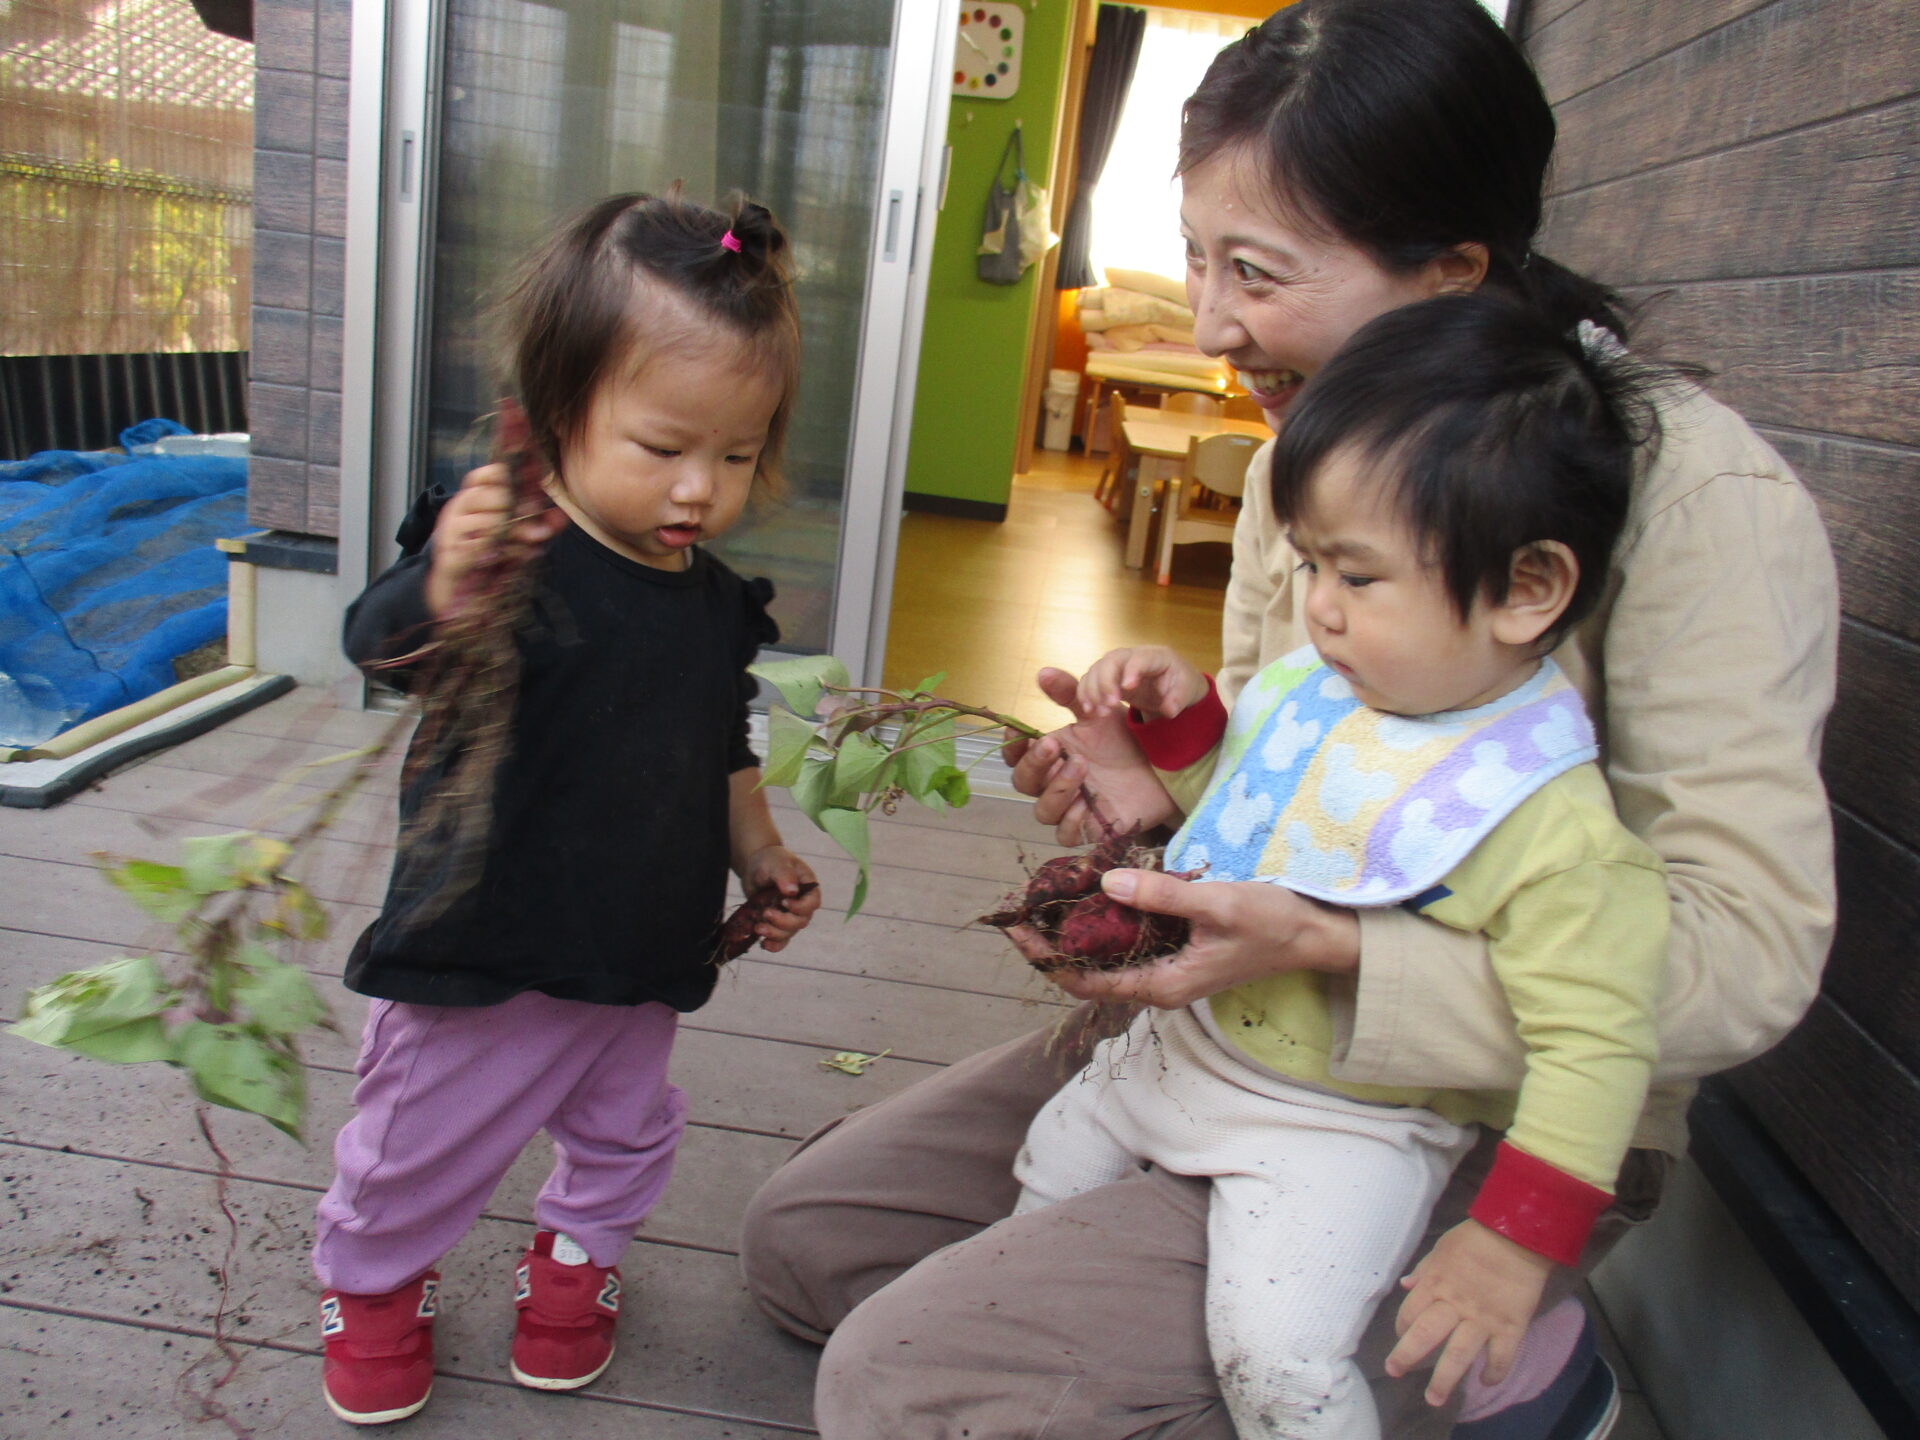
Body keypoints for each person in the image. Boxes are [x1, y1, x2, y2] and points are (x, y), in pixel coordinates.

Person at [738, 3, 1837, 1438]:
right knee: (810, 1248)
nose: (1210, 324)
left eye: (1254, 272)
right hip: (1229, 1034)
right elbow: (1300, 773)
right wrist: (1159, 805)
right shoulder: (1301, 464)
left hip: (1474, 1112)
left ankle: (1513, 1372)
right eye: (1196, 257)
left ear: (1450, 276)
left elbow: (1746, 957)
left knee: (900, 1387)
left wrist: (1343, 953)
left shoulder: (1694, 500)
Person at [1015, 293, 1667, 1440]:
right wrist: (1184, 731)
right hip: (1186, 1045)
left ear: (1528, 588)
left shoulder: (1545, 819)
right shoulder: (1335, 689)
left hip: (1343, 1132)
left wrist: (1515, 1244)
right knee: (1042, 1174)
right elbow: (1260, 815)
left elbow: (1597, 1047)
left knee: (1277, 1357)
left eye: (1356, 578)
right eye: (1311, 563)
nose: (1316, 609)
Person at [313, 189, 823, 1426]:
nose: (700, 488)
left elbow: (721, 740)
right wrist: (445, 580)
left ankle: (574, 1269)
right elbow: (379, 647)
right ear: (558, 414)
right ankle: (371, 1284)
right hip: (486, 938)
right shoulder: (508, 553)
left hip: (640, 940)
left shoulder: (715, 603)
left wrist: (758, 849)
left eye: (737, 455)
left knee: (625, 1130)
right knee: (419, 1137)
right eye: (663, 447)